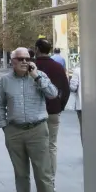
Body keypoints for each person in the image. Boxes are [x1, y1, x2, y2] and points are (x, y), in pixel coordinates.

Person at [0, 47, 59, 192]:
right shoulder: (5, 81)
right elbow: (0, 103)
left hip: (37, 130)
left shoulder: (39, 76)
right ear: (12, 61)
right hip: (14, 131)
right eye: (20, 59)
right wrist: (4, 126)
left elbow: (53, 94)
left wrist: (36, 76)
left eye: (28, 58)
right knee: (21, 173)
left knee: (43, 174)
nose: (25, 61)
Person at [33, 39, 70, 172]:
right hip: (53, 111)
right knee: (52, 145)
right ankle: (51, 178)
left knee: (36, 146)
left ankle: (40, 176)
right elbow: (66, 89)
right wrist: (59, 106)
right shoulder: (58, 67)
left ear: (37, 49)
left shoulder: (32, 67)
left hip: (35, 113)